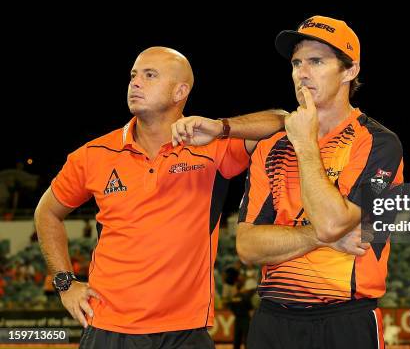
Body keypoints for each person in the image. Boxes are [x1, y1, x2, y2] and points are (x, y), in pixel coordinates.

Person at [34, 46, 286, 349]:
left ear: (180, 91)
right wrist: (65, 284)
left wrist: (221, 128)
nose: (135, 83)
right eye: (133, 75)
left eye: (149, 75)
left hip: (185, 331)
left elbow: (283, 121)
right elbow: (46, 213)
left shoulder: (212, 147)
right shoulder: (93, 154)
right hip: (107, 327)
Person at [236, 16, 404, 349]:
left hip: (346, 319)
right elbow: (247, 246)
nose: (302, 72)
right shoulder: (271, 146)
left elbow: (332, 222)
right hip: (272, 320)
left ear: (349, 71)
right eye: (297, 62)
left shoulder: (379, 143)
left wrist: (305, 144)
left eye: (316, 61)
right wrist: (324, 239)